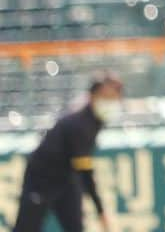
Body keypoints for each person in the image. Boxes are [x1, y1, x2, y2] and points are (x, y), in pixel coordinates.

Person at [13, 72, 122, 232]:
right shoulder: (80, 124)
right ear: (92, 97)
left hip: (67, 179)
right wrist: (101, 211)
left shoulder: (96, 120)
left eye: (114, 97)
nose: (110, 102)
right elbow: (85, 171)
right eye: (106, 97)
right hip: (41, 179)